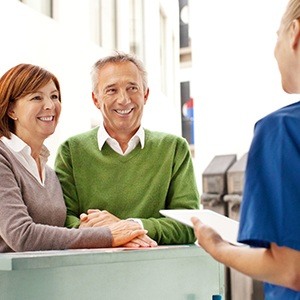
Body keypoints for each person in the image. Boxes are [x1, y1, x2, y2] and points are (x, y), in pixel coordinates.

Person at [192, 0, 300, 298]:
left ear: (295, 33)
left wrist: (219, 247)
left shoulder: (281, 129)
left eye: (276, 35)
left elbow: (290, 269)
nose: (274, 50)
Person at [0, 63, 150, 253]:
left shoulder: (49, 173)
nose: (50, 105)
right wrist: (110, 235)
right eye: (36, 97)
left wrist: (87, 228)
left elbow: (56, 235)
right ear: (11, 110)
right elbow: (22, 235)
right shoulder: (3, 158)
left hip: (46, 280)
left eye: (54, 96)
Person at [54, 52, 200, 246]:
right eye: (111, 90)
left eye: (132, 88)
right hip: (90, 271)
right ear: (95, 99)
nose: (124, 99)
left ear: (145, 94)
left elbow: (188, 225)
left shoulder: (174, 149)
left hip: (158, 271)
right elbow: (64, 222)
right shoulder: (71, 151)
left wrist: (129, 226)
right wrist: (113, 234)